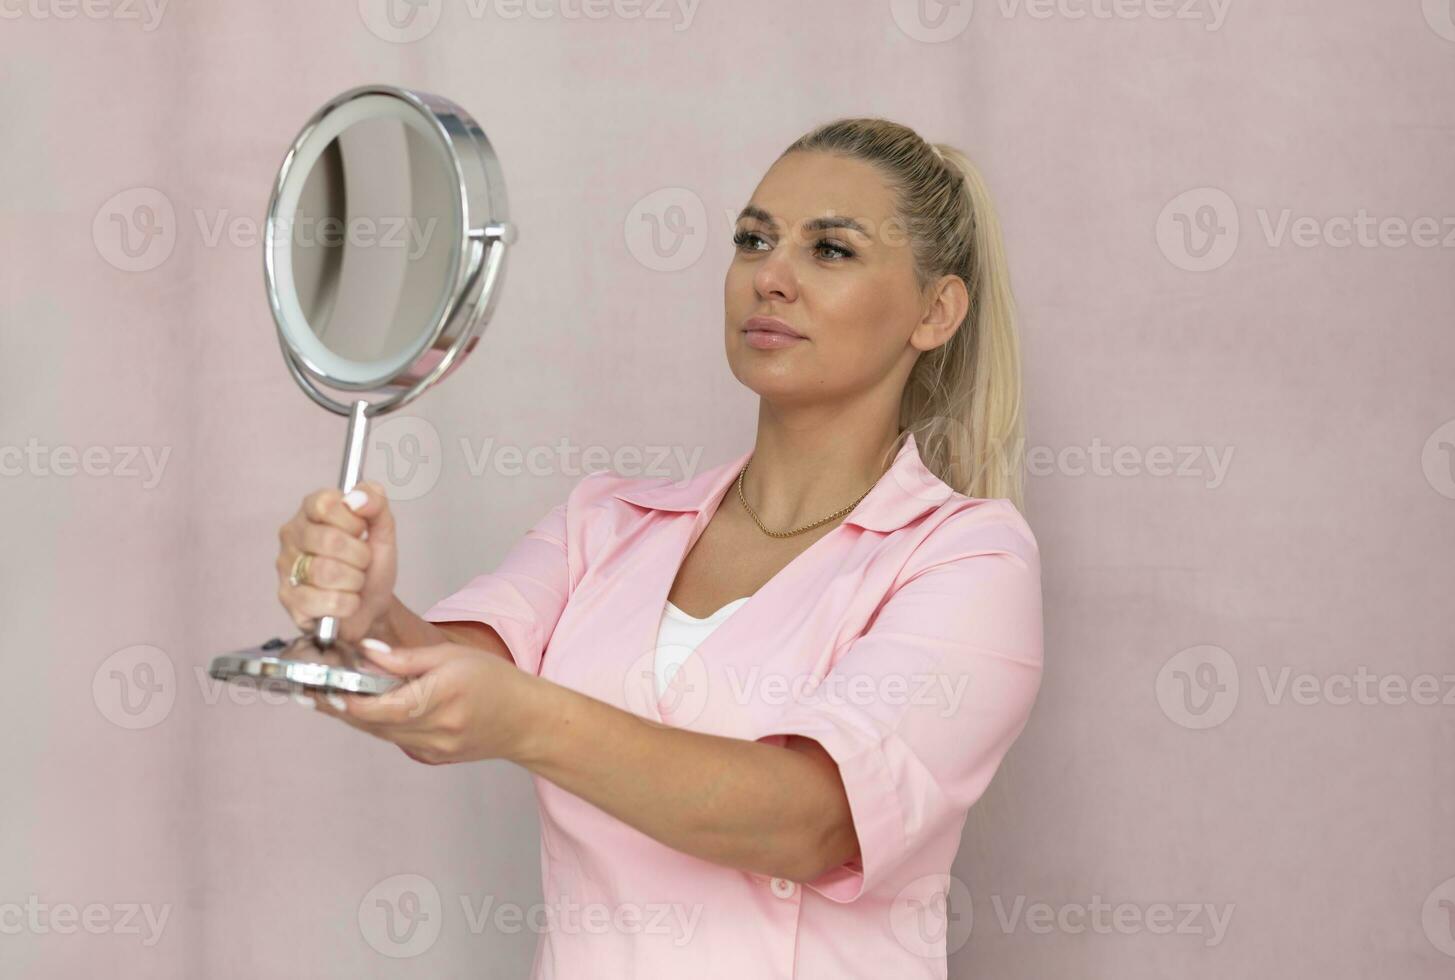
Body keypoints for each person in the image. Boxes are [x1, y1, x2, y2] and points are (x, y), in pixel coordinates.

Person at [275, 117, 1043, 979]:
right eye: (753, 240)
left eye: (829, 251)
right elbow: (436, 688)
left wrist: (524, 716)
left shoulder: (966, 558)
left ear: (934, 312)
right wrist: (370, 611)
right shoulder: (608, 521)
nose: (770, 278)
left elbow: (808, 822)